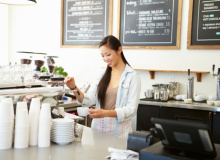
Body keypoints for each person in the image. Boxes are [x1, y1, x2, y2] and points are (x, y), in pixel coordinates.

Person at [65, 35, 141, 139]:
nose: (105, 59)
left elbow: (131, 110)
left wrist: (105, 113)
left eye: (108, 54)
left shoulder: (132, 76)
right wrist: (74, 88)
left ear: (119, 50)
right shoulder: (102, 75)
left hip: (119, 133)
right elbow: (90, 100)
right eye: (102, 56)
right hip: (97, 130)